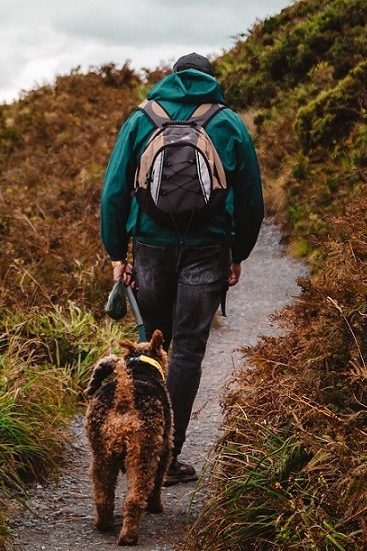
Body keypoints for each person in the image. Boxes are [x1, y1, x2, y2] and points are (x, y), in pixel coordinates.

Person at [100, 52, 264, 486]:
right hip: (208, 249)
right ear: (211, 80)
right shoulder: (227, 122)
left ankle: (130, 448)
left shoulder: (143, 118)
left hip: (151, 248)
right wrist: (239, 253)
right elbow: (251, 199)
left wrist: (118, 254)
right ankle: (164, 458)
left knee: (148, 346)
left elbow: (114, 191)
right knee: (187, 351)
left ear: (172, 78)